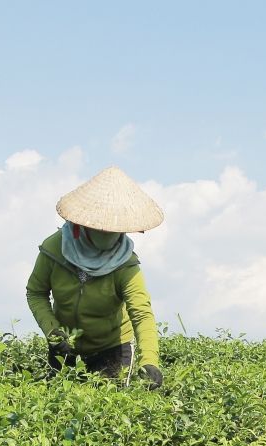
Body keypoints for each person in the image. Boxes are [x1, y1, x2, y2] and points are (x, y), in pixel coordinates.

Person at [25, 166, 164, 389]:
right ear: (82, 225)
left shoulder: (126, 265)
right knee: (59, 404)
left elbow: (141, 313)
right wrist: (53, 331)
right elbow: (36, 292)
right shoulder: (55, 250)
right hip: (64, 345)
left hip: (112, 348)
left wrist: (149, 361)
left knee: (109, 405)